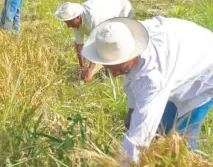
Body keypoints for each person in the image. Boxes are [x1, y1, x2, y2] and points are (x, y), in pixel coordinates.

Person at [81, 16, 213, 164]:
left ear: (133, 54)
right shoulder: (125, 37)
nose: (115, 74)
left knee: (180, 144)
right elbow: (132, 77)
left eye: (119, 69)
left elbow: (137, 141)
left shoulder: (152, 77)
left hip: (205, 71)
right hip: (181, 58)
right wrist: (132, 110)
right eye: (109, 68)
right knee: (160, 135)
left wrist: (121, 163)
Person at [54, 0, 134, 82]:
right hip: (108, 9)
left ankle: (120, 68)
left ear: (77, 17)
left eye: (69, 23)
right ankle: (107, 66)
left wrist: (90, 70)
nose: (68, 26)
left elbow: (98, 45)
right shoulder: (74, 21)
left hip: (122, 9)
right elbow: (79, 45)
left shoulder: (93, 19)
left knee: (116, 41)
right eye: (66, 23)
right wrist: (82, 67)